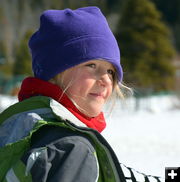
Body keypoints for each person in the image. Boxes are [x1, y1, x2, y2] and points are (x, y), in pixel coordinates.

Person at [0, 6, 162, 182]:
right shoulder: (72, 148)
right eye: (91, 65)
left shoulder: (20, 125)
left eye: (110, 71)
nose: (106, 80)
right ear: (54, 74)